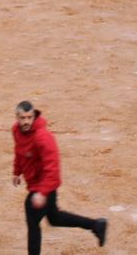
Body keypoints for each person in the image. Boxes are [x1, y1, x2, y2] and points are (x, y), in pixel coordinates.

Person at [11, 100, 107, 255]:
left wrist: (42, 193)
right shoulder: (16, 130)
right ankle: (96, 225)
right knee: (55, 218)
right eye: (22, 118)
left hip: (45, 185)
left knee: (33, 222)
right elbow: (19, 152)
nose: (26, 121)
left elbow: (53, 169)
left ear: (34, 116)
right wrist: (17, 171)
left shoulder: (43, 137)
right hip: (37, 184)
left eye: (29, 117)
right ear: (17, 117)